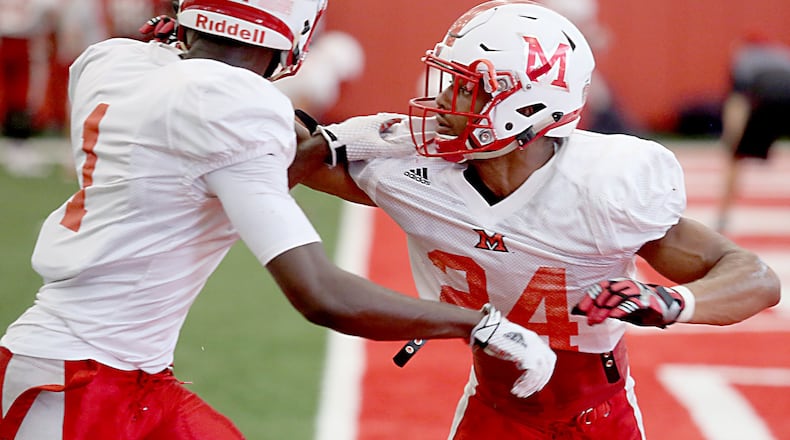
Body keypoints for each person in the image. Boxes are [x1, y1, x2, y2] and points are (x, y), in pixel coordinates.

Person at [0, 1, 554, 438]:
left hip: (124, 373)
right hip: (73, 382)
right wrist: (476, 324)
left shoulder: (111, 60)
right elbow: (320, 294)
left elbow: (238, 152)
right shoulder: (235, 106)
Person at [291, 1, 782, 438]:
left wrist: (672, 301)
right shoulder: (407, 172)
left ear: (523, 106)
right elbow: (283, 150)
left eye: (465, 87)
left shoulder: (602, 186)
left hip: (599, 415)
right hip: (496, 409)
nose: (442, 101)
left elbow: (757, 280)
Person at [716, 33, 790, 233]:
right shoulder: (782, 55)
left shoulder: (743, 59)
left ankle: (723, 217)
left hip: (768, 99)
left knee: (736, 158)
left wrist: (731, 138)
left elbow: (738, 102)